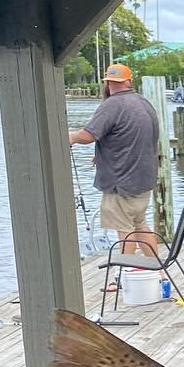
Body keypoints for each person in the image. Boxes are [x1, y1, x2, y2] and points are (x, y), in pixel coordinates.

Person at [67, 62, 160, 264]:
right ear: (129, 81)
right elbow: (134, 137)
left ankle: (124, 273)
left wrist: (71, 137)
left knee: (125, 231)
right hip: (144, 180)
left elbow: (89, 135)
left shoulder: (112, 105)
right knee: (140, 225)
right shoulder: (143, 103)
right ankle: (159, 270)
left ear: (107, 83)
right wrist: (103, 155)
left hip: (121, 183)